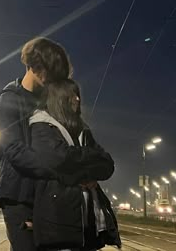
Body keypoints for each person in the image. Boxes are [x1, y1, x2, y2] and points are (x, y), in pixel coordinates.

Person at [0, 37, 116, 251]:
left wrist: (80, 169)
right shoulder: (8, 100)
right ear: (33, 66)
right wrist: (70, 174)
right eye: (49, 72)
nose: (51, 79)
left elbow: (72, 145)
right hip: (19, 195)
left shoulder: (49, 101)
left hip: (49, 193)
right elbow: (15, 152)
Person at [25, 79, 121, 250]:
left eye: (78, 95)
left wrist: (84, 166)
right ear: (59, 98)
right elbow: (58, 158)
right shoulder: (42, 125)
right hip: (58, 220)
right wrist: (92, 161)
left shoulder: (83, 129)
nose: (77, 99)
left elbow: (108, 166)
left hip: (88, 221)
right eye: (72, 95)